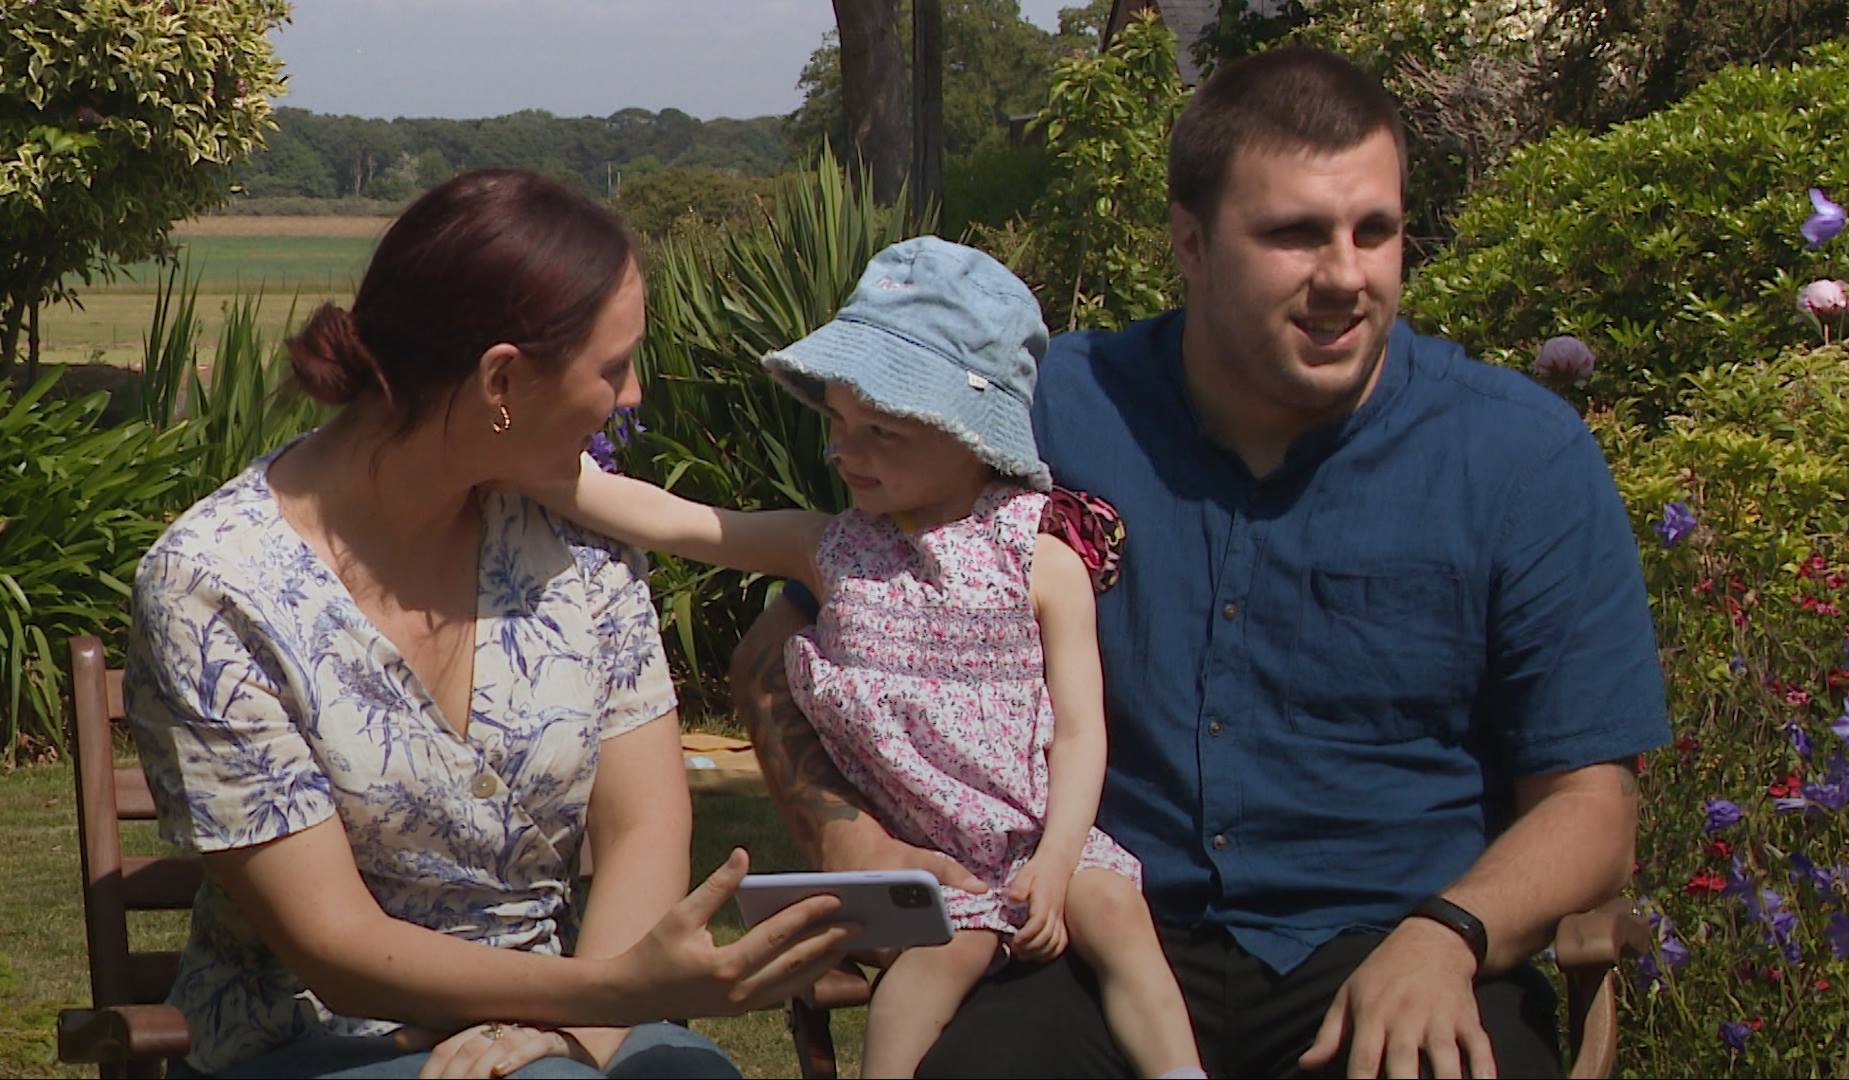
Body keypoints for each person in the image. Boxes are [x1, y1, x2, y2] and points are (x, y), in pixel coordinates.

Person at [729, 46, 1671, 1079]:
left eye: (1376, 232)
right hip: (1091, 934)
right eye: (1294, 236)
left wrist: (1451, 934)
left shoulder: (1518, 457)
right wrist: (850, 840)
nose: (1346, 276)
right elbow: (781, 647)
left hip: (1392, 941)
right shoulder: (1043, 419)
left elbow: (1593, 807)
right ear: (1190, 241)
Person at [125, 168, 851, 1080]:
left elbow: (643, 824)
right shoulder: (215, 588)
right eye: (613, 366)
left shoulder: (581, 540)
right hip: (316, 1045)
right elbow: (332, 945)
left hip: (566, 1029)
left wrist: (570, 1031)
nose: (630, 399)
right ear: (501, 378)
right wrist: (610, 997)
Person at [528, 237, 1206, 1080]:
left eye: (881, 432)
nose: (847, 454)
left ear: (972, 432)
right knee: (932, 961)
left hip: (1042, 835)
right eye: (841, 427)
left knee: (1114, 909)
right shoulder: (832, 549)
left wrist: (1060, 856)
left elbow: (1078, 732)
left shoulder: (1037, 555)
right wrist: (546, 471)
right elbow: (686, 522)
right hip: (924, 868)